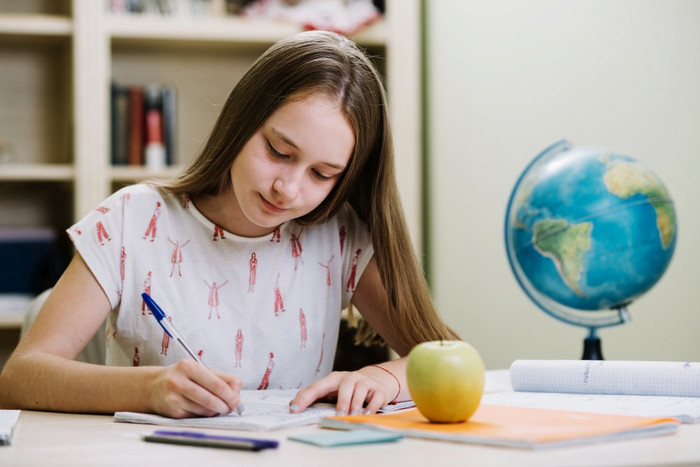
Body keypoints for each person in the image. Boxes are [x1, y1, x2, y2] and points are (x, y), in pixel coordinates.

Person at [0, 30, 458, 419]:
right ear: (242, 119)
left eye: (322, 174)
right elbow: (21, 377)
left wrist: (382, 376)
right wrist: (148, 388)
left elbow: (449, 358)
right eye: (279, 151)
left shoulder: (338, 235)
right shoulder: (131, 221)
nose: (289, 189)